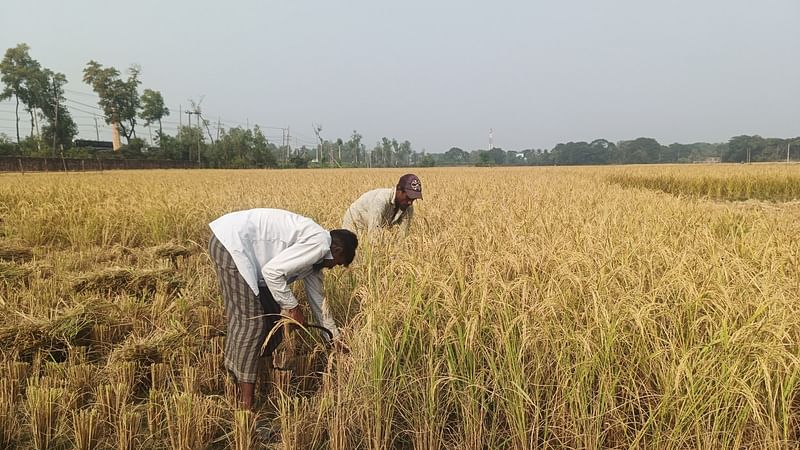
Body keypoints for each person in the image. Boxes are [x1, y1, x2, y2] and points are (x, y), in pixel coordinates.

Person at [208, 208, 358, 410]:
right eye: (338, 264)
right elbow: (272, 273)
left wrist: (334, 338)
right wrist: (293, 308)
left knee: (272, 321)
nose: (332, 268)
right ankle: (246, 403)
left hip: (245, 252)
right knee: (251, 323)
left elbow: (318, 303)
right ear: (337, 251)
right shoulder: (320, 244)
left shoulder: (316, 261)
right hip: (232, 245)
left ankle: (263, 376)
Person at [342, 173, 423, 233]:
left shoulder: (408, 207)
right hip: (355, 222)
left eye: (413, 199)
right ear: (399, 189)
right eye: (408, 197)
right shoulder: (380, 201)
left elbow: (403, 235)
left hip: (371, 225)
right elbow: (373, 234)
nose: (410, 202)